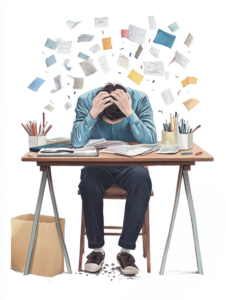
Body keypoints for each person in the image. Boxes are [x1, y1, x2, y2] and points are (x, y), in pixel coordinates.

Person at [71, 83, 157, 275]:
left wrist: (130, 113)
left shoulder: (140, 99)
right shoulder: (86, 100)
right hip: (97, 165)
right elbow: (76, 142)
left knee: (142, 178)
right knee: (88, 180)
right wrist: (93, 114)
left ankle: (126, 251)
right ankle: (96, 250)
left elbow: (151, 141)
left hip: (130, 164)